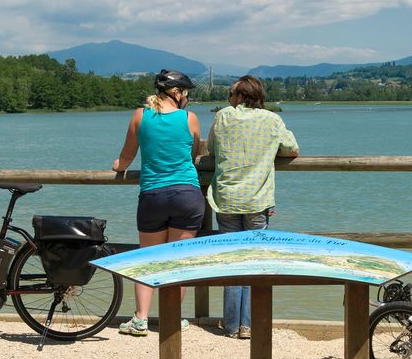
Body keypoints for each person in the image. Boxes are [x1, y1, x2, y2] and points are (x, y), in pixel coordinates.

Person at [112, 69, 204, 336]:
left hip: (153, 194)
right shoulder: (190, 119)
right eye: (186, 94)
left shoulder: (141, 116)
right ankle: (172, 318)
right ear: (176, 94)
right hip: (187, 194)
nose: (187, 99)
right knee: (178, 260)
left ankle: (140, 319)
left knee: (147, 258)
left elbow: (126, 158)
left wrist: (118, 165)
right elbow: (194, 153)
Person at [207, 75, 299, 339]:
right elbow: (292, 149)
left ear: (238, 96)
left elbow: (212, 147)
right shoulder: (272, 120)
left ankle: (232, 323)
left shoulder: (223, 117)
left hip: (226, 199)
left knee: (232, 261)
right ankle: (248, 324)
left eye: (230, 94)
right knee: (255, 261)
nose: (229, 99)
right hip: (257, 200)